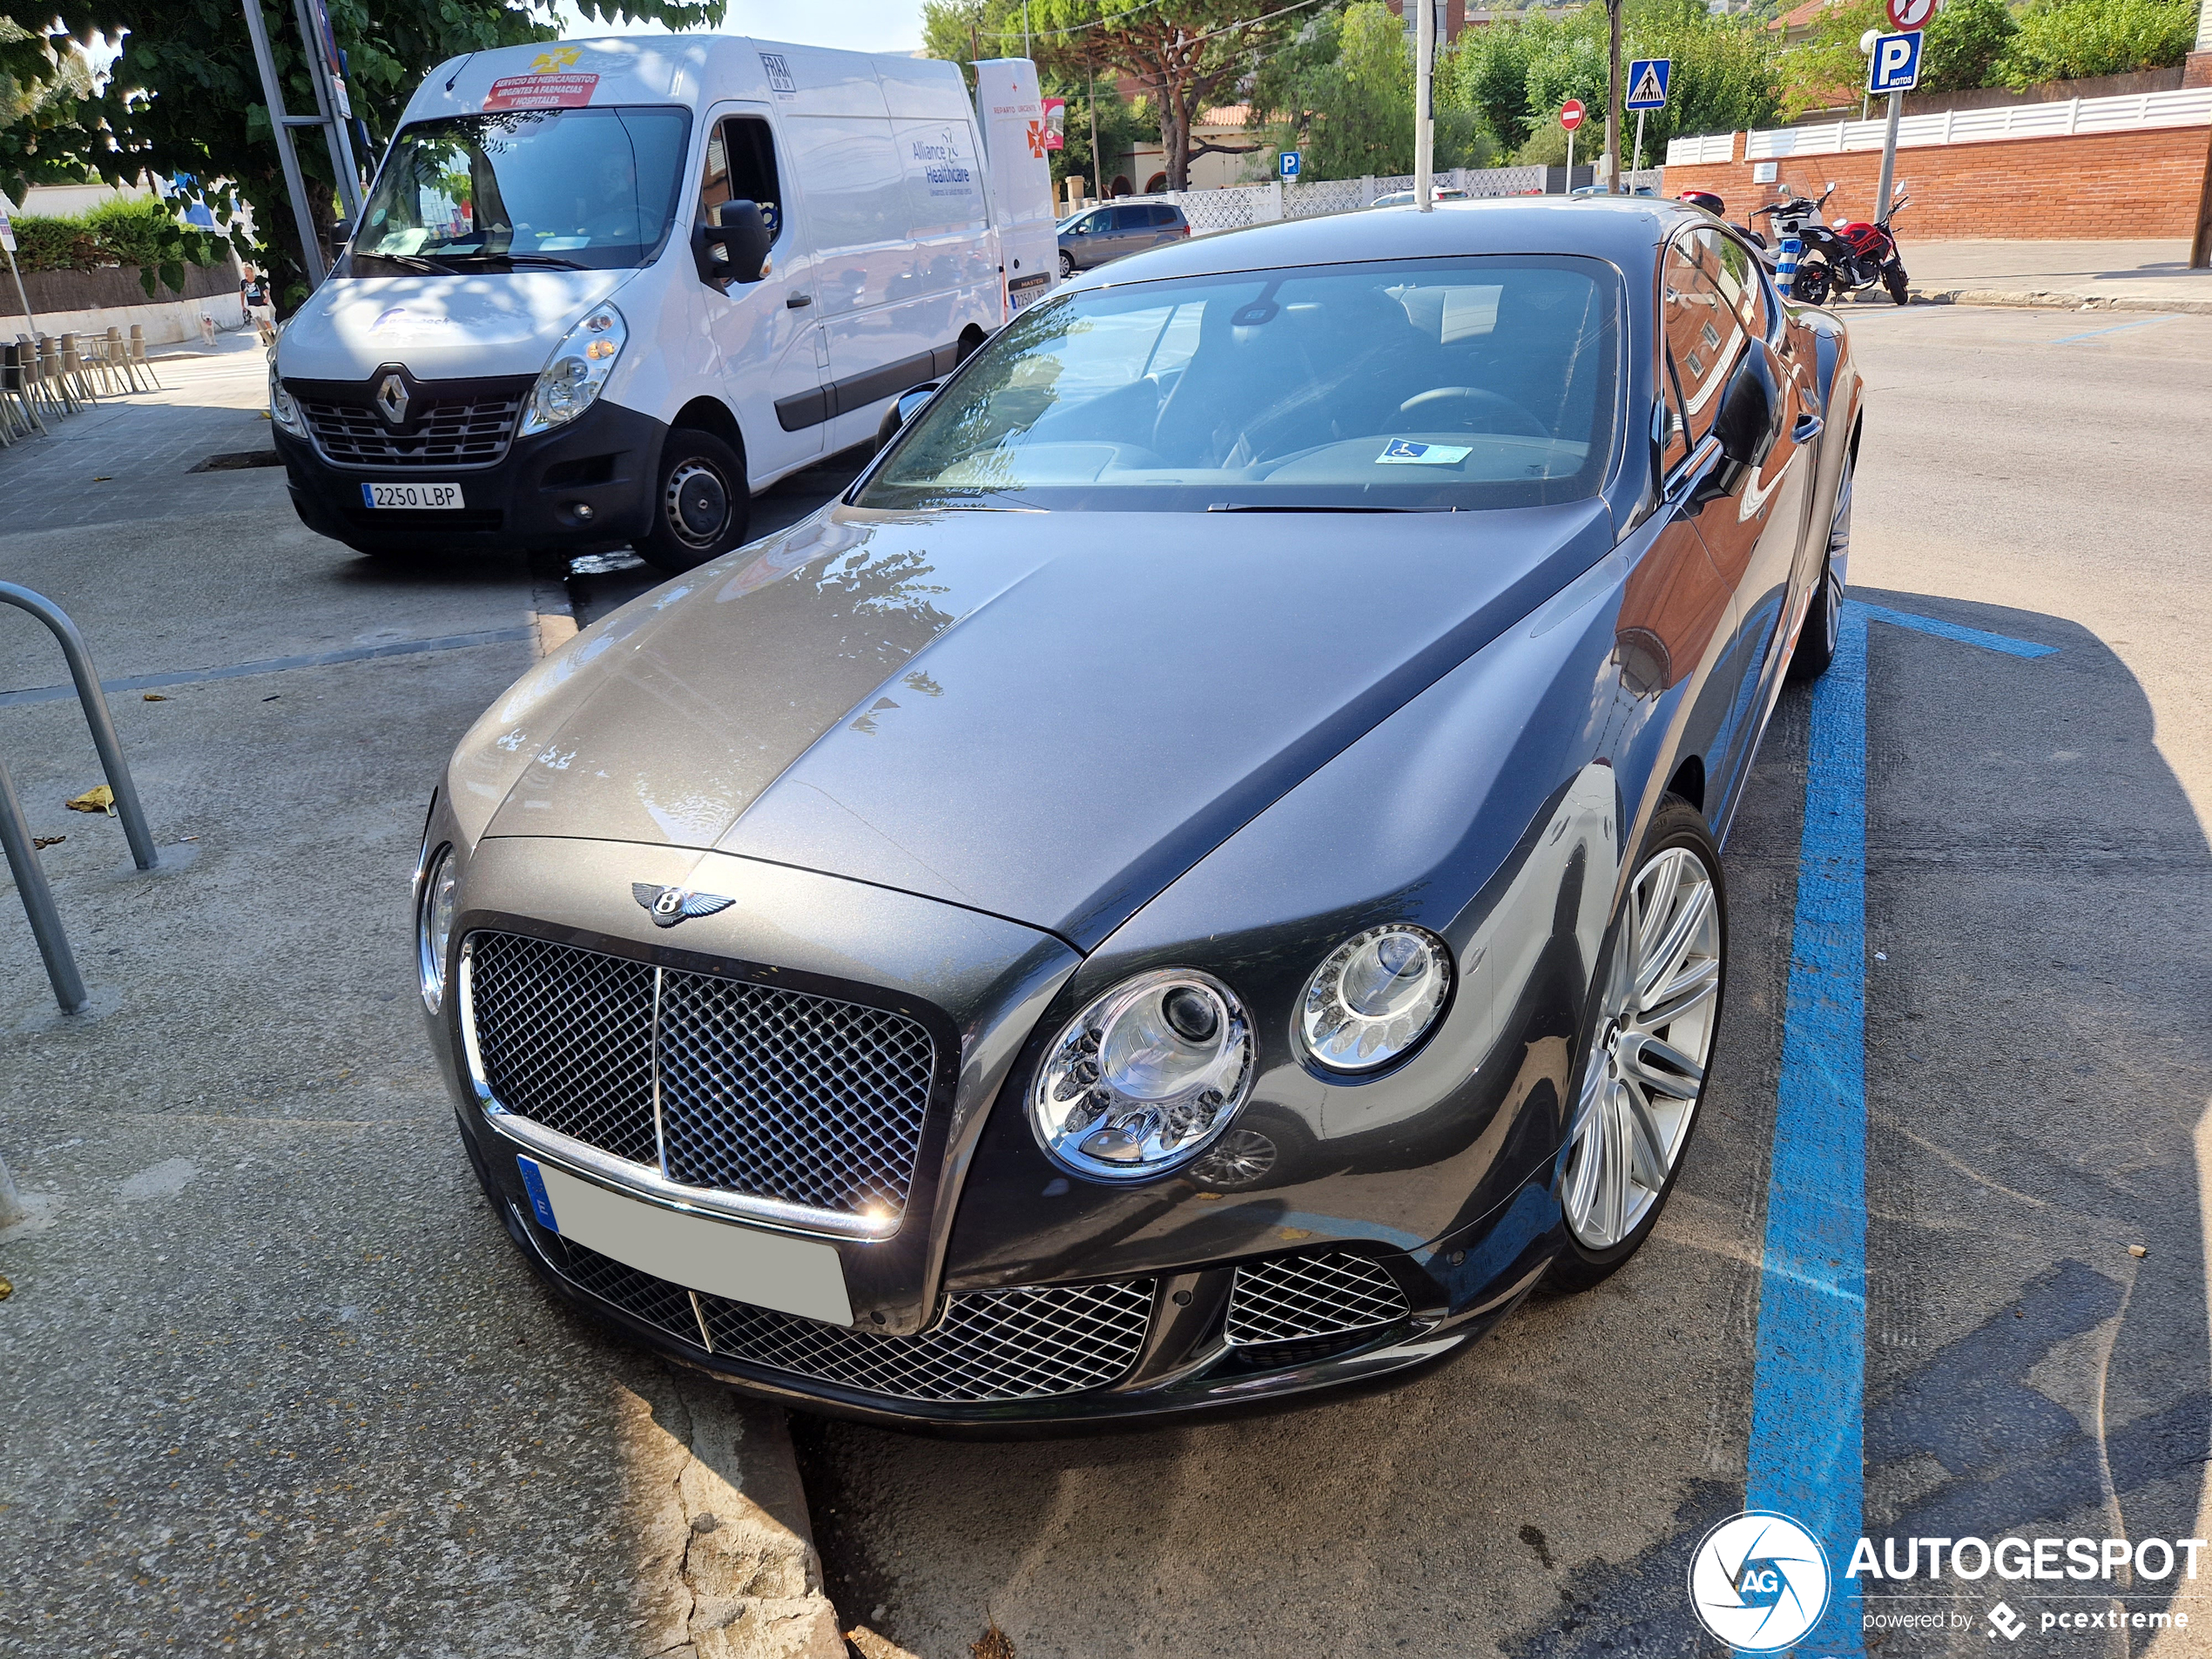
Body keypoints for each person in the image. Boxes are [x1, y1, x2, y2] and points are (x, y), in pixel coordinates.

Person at [240, 264, 276, 343]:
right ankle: (264, 338)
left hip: (262, 303)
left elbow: (266, 290)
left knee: (266, 321)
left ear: (252, 271)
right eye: (245, 271)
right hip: (252, 305)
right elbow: (242, 294)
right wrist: (243, 305)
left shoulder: (258, 280)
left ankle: (272, 334)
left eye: (248, 271)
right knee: (258, 322)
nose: (246, 273)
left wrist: (267, 297)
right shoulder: (243, 282)